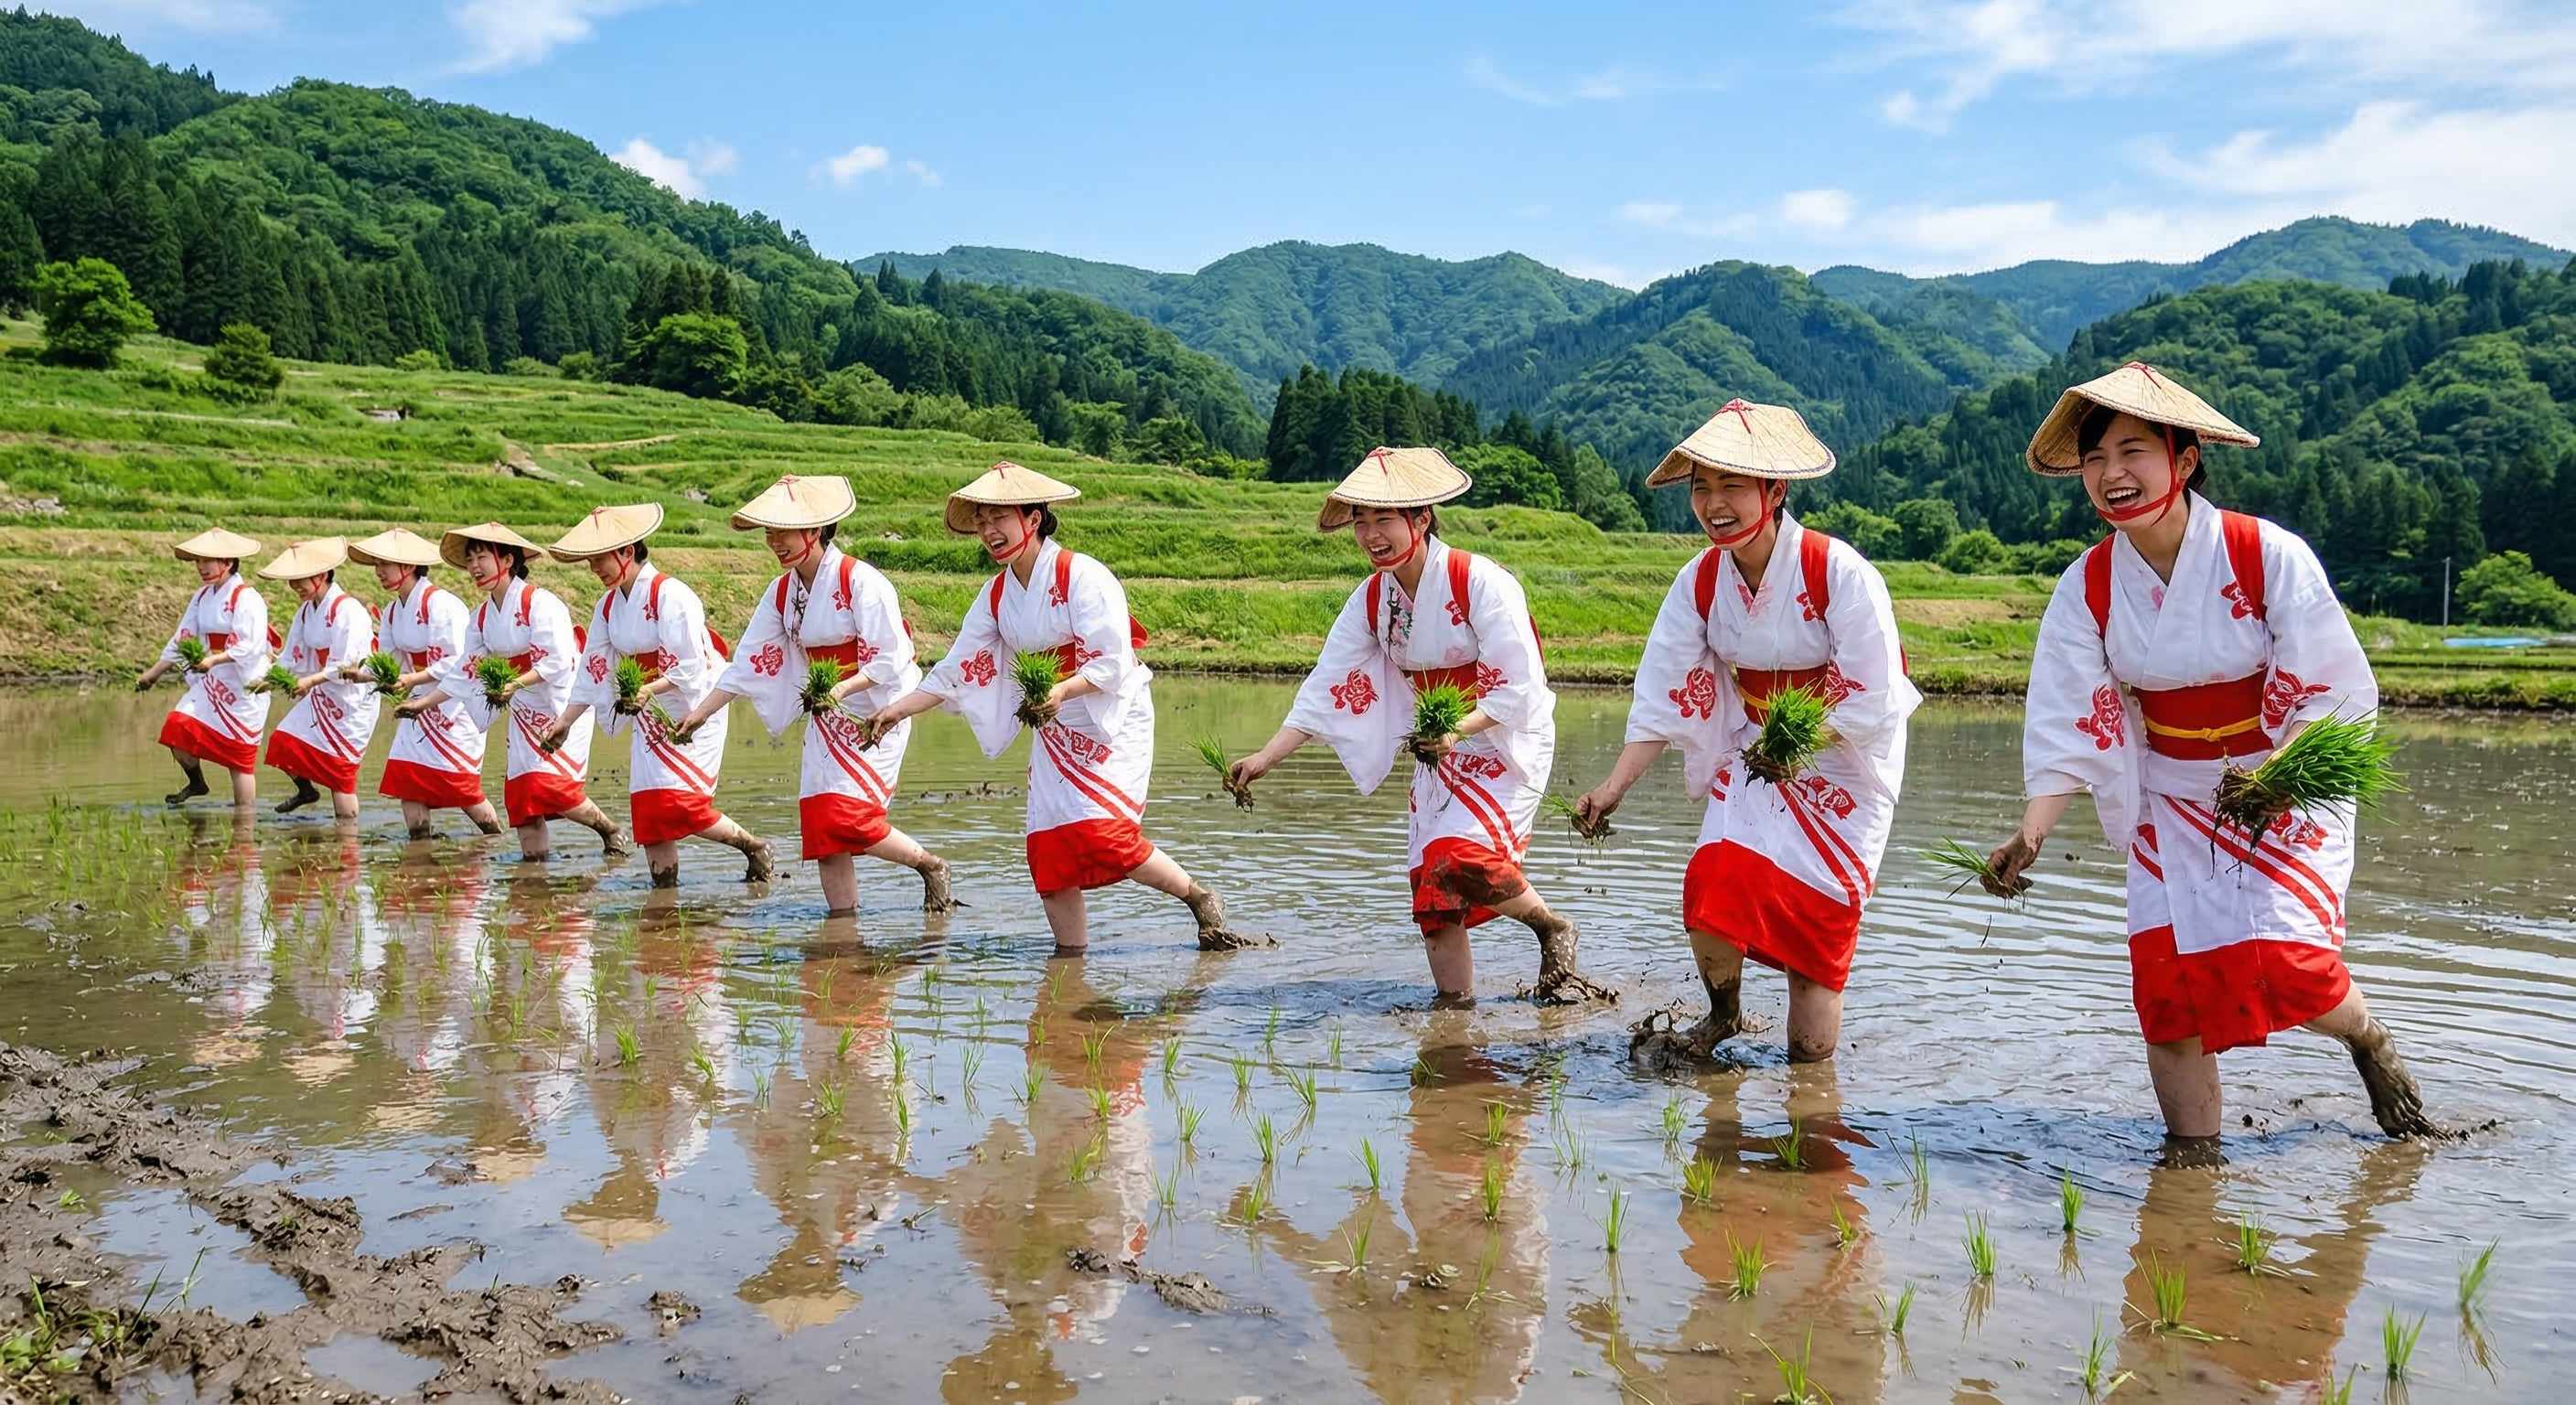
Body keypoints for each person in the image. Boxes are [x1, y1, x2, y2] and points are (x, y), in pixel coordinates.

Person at [1981, 361, 2439, 1155]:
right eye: (2095, 459)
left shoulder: (2266, 555)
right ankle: (2192, 1167)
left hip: (2278, 782)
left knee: (2285, 964)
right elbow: (2068, 723)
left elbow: (2327, 689)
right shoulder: (2087, 586)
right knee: (2168, 989)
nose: (2111, 475)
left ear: (2184, 459)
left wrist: (2273, 777)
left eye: (2133, 452)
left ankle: (2366, 1036)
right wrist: (2032, 831)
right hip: (2169, 796)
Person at [1576, 402, 1917, 1062]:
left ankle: (1810, 1096)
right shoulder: (1701, 580)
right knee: (1713, 881)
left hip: (1841, 760)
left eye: (1731, 485)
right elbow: (1663, 695)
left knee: (1815, 940)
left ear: (1775, 490)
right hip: (1757, 754)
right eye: (1701, 487)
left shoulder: (1838, 572)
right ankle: (1724, 1015)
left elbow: (1875, 699)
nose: (1713, 503)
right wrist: (1615, 786)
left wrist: (1795, 745)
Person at [1229, 446, 1605, 1003]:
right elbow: (1327, 684)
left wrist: (1459, 727)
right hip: (1438, 747)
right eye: (1361, 522)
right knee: (1432, 895)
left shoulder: (1480, 582)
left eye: (1384, 520)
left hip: (1500, 740)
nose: (1371, 535)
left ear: (1421, 519)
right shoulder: (1374, 598)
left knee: (1458, 857)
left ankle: (1552, 926)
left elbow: (1519, 686)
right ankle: (1453, 1011)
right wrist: (1265, 757)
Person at [855, 462, 1257, 954]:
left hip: (1108, 716)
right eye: (981, 520)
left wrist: (1063, 691)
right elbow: (960, 668)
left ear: (1034, 518)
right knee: (1048, 849)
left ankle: (1197, 897)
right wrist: (898, 710)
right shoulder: (997, 594)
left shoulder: (1082, 575)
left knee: (1103, 834)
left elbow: (1112, 660)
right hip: (1053, 720)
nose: (988, 531)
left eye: (999, 518)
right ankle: (1069, 961)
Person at [673, 475, 953, 915]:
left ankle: (929, 864)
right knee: (823, 830)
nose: (775, 543)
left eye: (783, 532)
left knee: (848, 817)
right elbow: (748, 660)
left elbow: (892, 657)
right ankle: (843, 925)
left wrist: (842, 686)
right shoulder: (782, 592)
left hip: (875, 712)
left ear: (815, 531)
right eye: (770, 533)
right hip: (827, 715)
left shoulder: (862, 582)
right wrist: (701, 713)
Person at [542, 504, 773, 886]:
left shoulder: (671, 595)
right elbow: (593, 669)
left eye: (600, 559)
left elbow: (689, 666)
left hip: (690, 706)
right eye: (590, 561)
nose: (594, 569)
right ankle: (663, 893)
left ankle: (752, 845)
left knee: (681, 804)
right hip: (646, 707)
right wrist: (566, 720)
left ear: (627, 553)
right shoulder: (608, 605)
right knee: (650, 808)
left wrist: (647, 689)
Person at [392, 523, 629, 861]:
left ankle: (609, 828)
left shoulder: (541, 604)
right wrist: (423, 704)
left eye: (482, 557)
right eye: (470, 558)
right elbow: (465, 672)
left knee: (548, 786)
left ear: (506, 560)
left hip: (559, 704)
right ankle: (533, 872)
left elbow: (558, 661)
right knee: (521, 795)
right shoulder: (481, 618)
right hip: (521, 707)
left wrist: (515, 684)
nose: (474, 566)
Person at [350, 528, 503, 839]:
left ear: (407, 567)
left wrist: (410, 679)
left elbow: (456, 662)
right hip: (418, 701)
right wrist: (364, 675)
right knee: (407, 781)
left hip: (453, 703)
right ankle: (420, 848)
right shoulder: (394, 611)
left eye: (385, 564)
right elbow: (390, 663)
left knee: (463, 789)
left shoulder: (440, 604)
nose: (378, 572)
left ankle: (493, 839)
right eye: (376, 564)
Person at [136, 528, 274, 811]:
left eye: (207, 561)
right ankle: (197, 781)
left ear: (228, 562)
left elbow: (249, 645)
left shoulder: (246, 598)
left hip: (243, 682)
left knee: (240, 759)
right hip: (212, 680)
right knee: (177, 727)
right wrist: (154, 672)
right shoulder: (201, 597)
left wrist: (213, 660)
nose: (201, 567)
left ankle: (243, 821)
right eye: (198, 561)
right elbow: (183, 638)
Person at [254, 537, 379, 820]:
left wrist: (309, 682)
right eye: (293, 581)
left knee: (340, 776)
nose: (295, 587)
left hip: (353, 697)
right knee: (283, 744)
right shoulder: (306, 611)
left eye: (302, 579)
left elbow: (346, 665)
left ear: (321, 576)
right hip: (325, 689)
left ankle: (347, 843)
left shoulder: (348, 610)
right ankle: (307, 791)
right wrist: (269, 680)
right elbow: (291, 657)